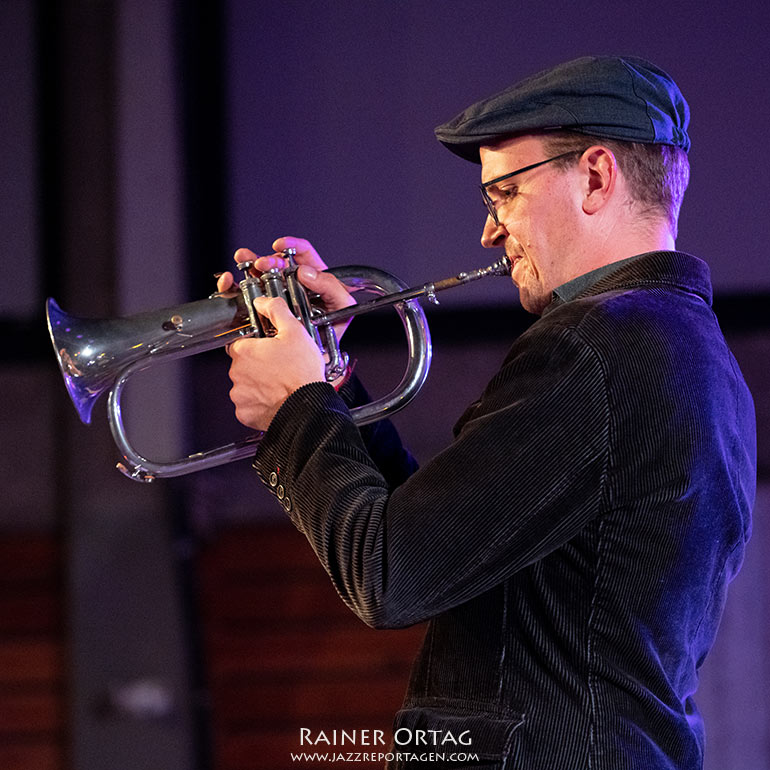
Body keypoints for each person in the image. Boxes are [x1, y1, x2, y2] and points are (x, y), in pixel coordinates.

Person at [219, 56, 756, 769]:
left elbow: (390, 575)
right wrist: (333, 381)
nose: (489, 232)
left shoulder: (594, 346)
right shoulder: (688, 350)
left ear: (595, 175)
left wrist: (296, 408)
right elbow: (441, 544)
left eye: (504, 194)